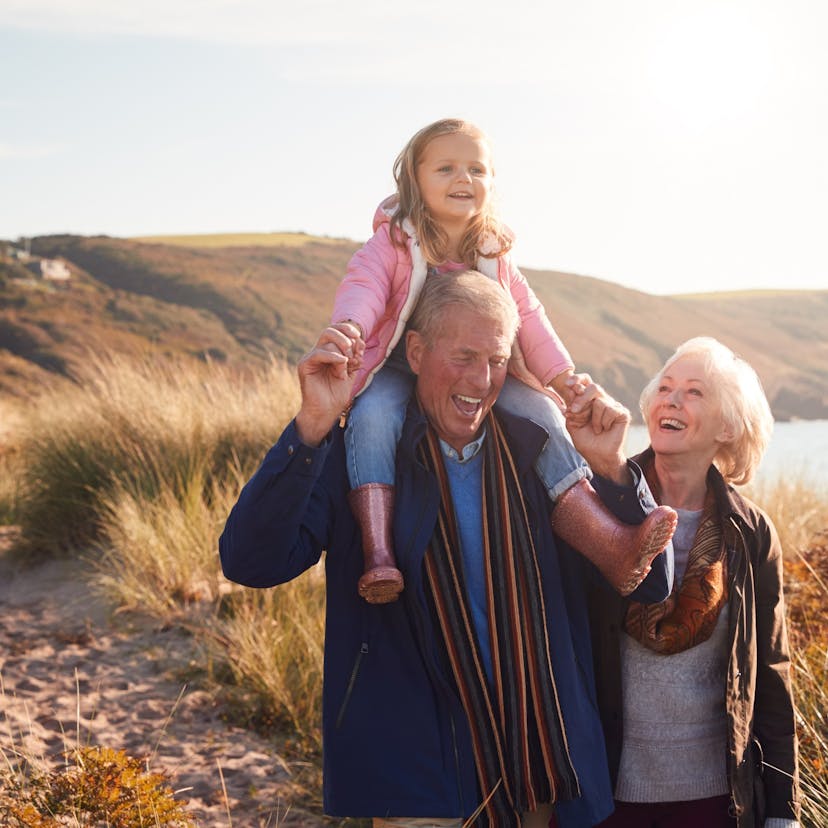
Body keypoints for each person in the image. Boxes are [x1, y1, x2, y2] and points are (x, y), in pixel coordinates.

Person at [220, 271, 674, 827]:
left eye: (497, 360)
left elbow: (650, 586)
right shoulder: (361, 460)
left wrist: (612, 468)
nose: (481, 380)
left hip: (541, 770)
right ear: (415, 351)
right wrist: (312, 425)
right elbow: (251, 562)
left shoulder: (542, 455)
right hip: (417, 776)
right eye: (463, 357)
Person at [329, 117, 675, 604]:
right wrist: (350, 328)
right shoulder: (394, 242)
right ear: (414, 178)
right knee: (373, 416)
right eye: (446, 168)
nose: (463, 178)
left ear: (492, 183)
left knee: (544, 412)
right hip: (398, 364)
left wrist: (561, 377)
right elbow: (363, 287)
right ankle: (379, 551)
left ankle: (609, 543)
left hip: (483, 368)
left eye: (477, 169)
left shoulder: (494, 253)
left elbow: (528, 316)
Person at [569, 337, 801, 828]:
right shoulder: (597, 503)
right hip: (603, 796)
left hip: (715, 801)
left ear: (727, 426)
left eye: (694, 392)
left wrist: (783, 811)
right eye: (665, 388)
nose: (671, 400)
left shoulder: (751, 533)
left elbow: (771, 674)